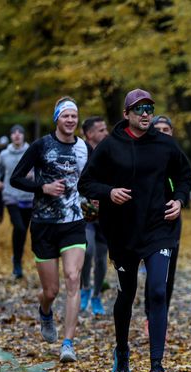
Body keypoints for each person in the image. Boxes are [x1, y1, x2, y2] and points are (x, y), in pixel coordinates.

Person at [78, 89, 191, 372]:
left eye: (149, 108)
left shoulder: (165, 144)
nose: (145, 114)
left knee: (157, 290)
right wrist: (109, 192)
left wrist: (179, 200)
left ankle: (156, 367)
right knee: (126, 295)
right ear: (127, 114)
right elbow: (86, 182)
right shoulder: (109, 146)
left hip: (159, 229)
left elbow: (184, 175)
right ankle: (122, 350)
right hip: (123, 232)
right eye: (139, 109)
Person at [10, 97, 88, 363]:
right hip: (44, 225)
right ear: (57, 118)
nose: (70, 120)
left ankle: (68, 343)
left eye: (74, 116)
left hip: (74, 222)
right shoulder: (41, 146)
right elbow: (16, 177)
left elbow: (87, 181)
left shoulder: (83, 148)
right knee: (51, 291)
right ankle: (45, 310)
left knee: (73, 278)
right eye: (65, 116)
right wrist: (41, 188)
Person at [143, 114, 180, 335]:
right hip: (145, 221)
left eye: (166, 129)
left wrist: (179, 199)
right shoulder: (142, 152)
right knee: (153, 272)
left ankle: (160, 315)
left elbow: (184, 183)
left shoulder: (176, 156)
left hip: (171, 219)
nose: (162, 132)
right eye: (158, 129)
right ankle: (150, 314)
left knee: (168, 271)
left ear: (171, 132)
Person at [0, 124, 33, 279]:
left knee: (22, 231)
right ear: (10, 136)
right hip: (10, 196)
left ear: (23, 136)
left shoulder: (31, 152)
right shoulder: (4, 154)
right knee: (20, 228)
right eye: (14, 133)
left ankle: (17, 259)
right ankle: (17, 260)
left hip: (28, 197)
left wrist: (33, 175)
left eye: (20, 133)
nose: (17, 135)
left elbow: (40, 171)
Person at [79, 116, 110, 315]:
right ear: (90, 134)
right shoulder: (79, 153)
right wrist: (87, 199)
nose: (106, 133)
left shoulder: (110, 152)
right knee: (87, 251)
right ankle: (85, 289)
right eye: (101, 130)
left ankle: (97, 295)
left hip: (107, 213)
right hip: (85, 213)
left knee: (101, 257)